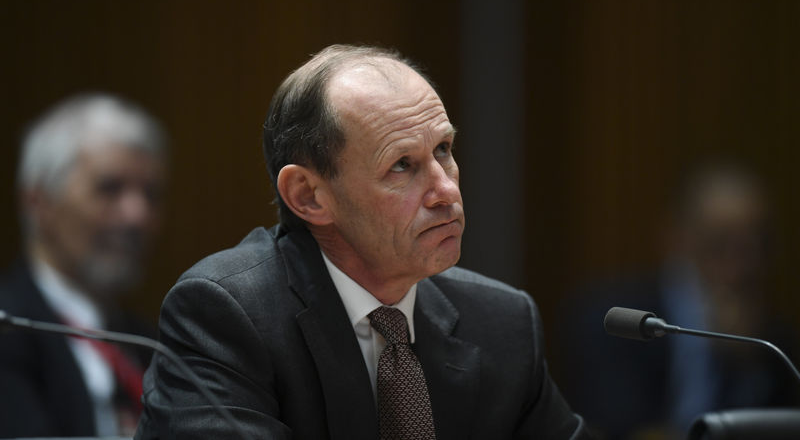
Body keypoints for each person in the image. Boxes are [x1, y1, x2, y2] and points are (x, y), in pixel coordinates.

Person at [135, 45, 588, 439]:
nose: (446, 191)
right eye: (402, 165)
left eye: (444, 151)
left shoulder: (501, 324)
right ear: (308, 196)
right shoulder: (227, 316)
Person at [558, 161, 798, 439]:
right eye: (720, 244)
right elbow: (619, 430)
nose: (745, 265)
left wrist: (743, 366)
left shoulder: (772, 342)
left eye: (758, 244)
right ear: (678, 239)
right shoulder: (617, 320)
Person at [0, 94, 167, 438]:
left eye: (150, 194)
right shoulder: (8, 330)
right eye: (109, 188)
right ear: (39, 200)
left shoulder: (149, 341)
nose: (138, 215)